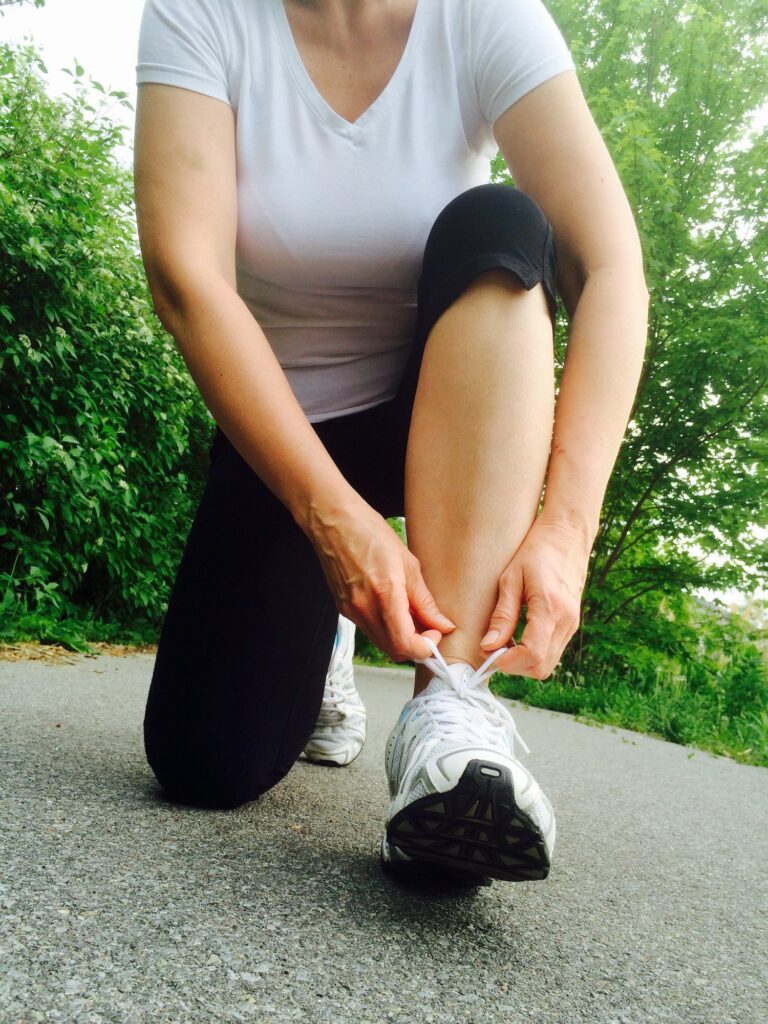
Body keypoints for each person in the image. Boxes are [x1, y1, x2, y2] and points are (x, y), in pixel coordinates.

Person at [133, 0, 649, 886]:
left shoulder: (486, 18)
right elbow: (187, 276)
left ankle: (447, 716)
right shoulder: (200, 13)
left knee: (502, 223)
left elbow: (610, 268)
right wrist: (332, 518)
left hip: (446, 407)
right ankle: (329, 645)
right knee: (205, 761)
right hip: (291, 434)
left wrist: (566, 531)